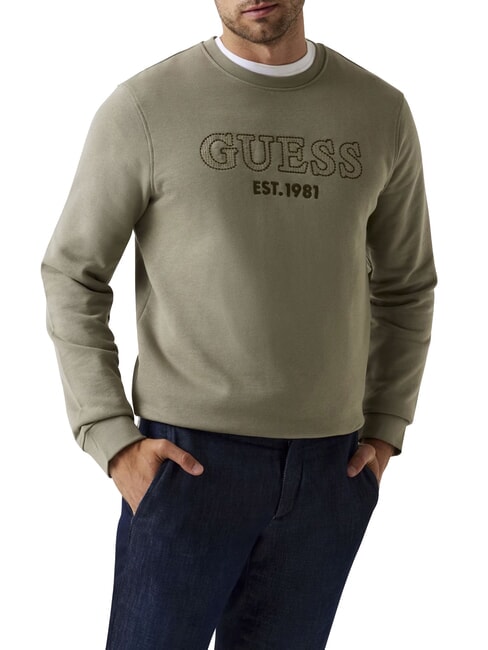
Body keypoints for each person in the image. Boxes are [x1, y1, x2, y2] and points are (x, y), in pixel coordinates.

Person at [41, 1, 436, 648]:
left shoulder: (378, 111)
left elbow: (406, 284)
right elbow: (72, 274)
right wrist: (112, 440)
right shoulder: (145, 107)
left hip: (330, 470)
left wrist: (386, 429)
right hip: (187, 465)